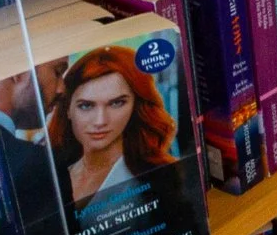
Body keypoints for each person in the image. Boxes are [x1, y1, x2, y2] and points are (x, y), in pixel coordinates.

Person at [46, 46, 181, 211]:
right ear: (67, 109)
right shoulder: (50, 176)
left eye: (117, 103)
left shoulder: (163, 177)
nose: (100, 121)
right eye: (86, 105)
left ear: (136, 107)